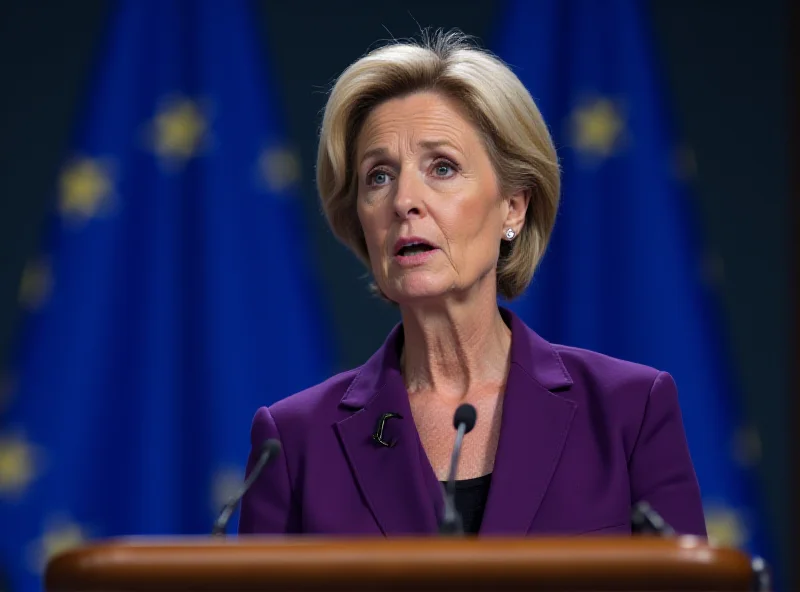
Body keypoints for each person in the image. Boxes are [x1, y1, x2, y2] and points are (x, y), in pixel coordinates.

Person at [238, 31, 706, 537]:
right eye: (378, 176)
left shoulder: (628, 412)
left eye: (442, 167)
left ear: (513, 206)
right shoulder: (293, 443)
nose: (403, 201)